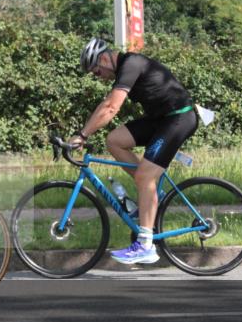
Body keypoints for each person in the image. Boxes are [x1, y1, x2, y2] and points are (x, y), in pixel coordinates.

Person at [70, 37, 198, 265]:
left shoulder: (131, 63)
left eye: (96, 72)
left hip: (179, 118)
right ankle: (148, 193)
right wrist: (82, 131)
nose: (97, 77)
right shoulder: (124, 70)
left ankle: (146, 246)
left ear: (104, 58)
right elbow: (106, 103)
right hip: (162, 120)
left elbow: (111, 108)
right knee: (115, 140)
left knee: (144, 176)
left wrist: (83, 136)